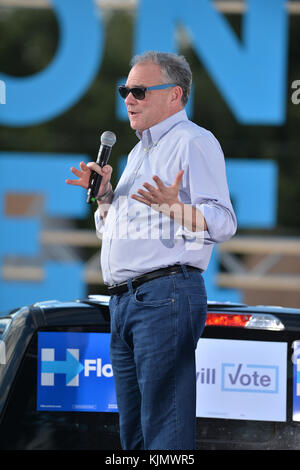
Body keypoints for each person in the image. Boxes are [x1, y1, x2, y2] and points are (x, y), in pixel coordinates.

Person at [66, 51, 237, 450]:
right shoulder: (140, 152)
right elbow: (114, 232)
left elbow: (224, 222)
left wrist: (174, 207)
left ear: (175, 95)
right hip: (126, 302)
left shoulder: (193, 142)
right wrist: (105, 196)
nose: (128, 99)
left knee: (166, 433)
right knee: (136, 437)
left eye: (139, 91)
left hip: (164, 296)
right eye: (125, 90)